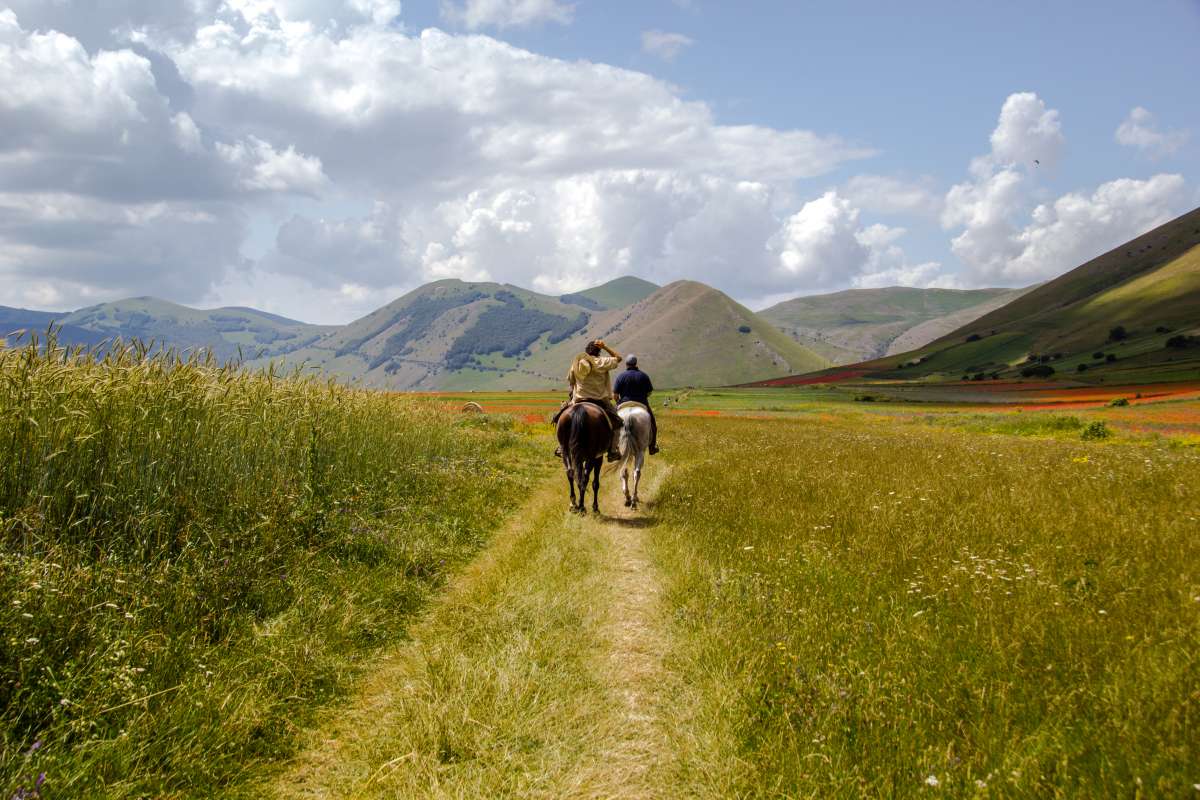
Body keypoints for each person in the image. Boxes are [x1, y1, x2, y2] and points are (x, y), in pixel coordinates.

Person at [550, 339, 625, 461]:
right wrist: (605, 346)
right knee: (617, 422)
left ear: (586, 352)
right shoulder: (603, 361)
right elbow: (618, 358)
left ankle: (561, 446)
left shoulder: (578, 364)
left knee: (559, 417)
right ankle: (613, 450)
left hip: (579, 399)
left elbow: (571, 382)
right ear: (598, 352)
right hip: (600, 401)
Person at [613, 355, 659, 455]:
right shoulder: (643, 376)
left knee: (612, 423)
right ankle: (652, 446)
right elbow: (649, 392)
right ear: (636, 363)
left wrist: (618, 402)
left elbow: (615, 395)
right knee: (653, 424)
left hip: (623, 404)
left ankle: (613, 448)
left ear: (626, 364)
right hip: (641, 403)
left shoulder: (621, 376)